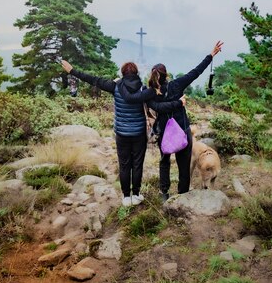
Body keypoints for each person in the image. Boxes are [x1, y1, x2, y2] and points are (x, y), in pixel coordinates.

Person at [60, 60, 184, 207]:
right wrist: (178, 102)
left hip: (121, 134)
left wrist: (73, 71)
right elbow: (158, 105)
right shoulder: (144, 89)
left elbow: (94, 80)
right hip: (138, 134)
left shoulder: (115, 86)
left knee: (124, 165)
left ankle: (126, 197)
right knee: (137, 164)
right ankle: (136, 194)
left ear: (123, 74)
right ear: (136, 73)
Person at [120, 41, 223, 201]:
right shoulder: (177, 85)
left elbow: (157, 107)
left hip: (164, 132)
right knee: (183, 165)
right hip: (182, 130)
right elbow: (196, 72)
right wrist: (211, 55)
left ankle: (164, 193)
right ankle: (182, 193)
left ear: (153, 75)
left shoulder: (150, 92)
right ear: (166, 75)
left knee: (164, 162)